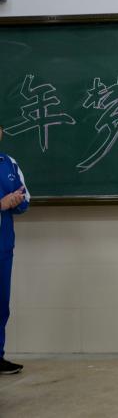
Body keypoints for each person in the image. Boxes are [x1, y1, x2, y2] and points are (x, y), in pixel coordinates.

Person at [0, 125, 29, 374]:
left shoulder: (9, 163)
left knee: (1, 304)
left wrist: (17, 201)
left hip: (3, 246)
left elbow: (25, 198)